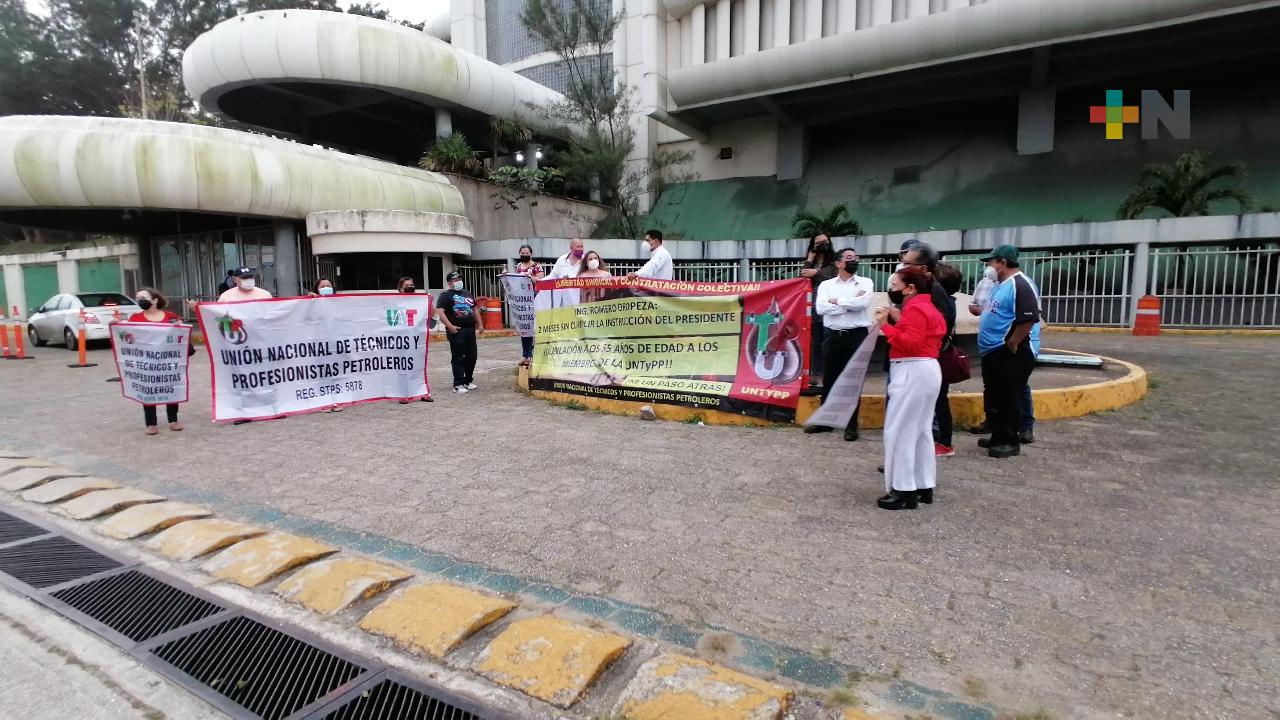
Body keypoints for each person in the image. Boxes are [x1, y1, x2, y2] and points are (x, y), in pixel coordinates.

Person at [873, 267, 946, 510]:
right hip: (925, 370)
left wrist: (884, 325)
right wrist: (897, 318)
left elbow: (910, 343)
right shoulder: (927, 307)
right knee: (920, 431)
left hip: (912, 370)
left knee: (901, 430)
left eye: (895, 286)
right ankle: (923, 484)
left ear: (910, 288)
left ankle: (904, 489)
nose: (892, 290)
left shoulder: (916, 309)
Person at [976, 245, 1041, 458]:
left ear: (1002, 263)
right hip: (993, 351)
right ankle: (998, 436)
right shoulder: (1000, 285)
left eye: (991, 262)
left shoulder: (1020, 284)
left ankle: (1009, 441)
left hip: (1010, 351)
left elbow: (1029, 317)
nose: (988, 266)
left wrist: (1013, 342)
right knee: (997, 396)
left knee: (1009, 397)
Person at [804, 247, 873, 441]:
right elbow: (821, 308)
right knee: (830, 380)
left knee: (853, 381)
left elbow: (862, 304)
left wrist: (836, 302)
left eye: (855, 257)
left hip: (857, 335)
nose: (854, 260)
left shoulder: (865, 282)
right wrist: (848, 304)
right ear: (838, 263)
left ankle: (851, 425)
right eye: (849, 257)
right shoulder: (826, 285)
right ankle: (825, 421)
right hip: (833, 335)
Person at [898, 244, 957, 457]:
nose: (902, 266)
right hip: (921, 358)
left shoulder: (933, 291)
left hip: (929, 358)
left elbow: (936, 326)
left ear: (923, 268)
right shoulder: (923, 287)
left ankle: (942, 443)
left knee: (936, 403)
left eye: (907, 263)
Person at [130, 288, 185, 436]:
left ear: (154, 300)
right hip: (146, 361)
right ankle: (151, 423)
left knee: (171, 388)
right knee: (148, 390)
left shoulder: (170, 316)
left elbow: (181, 336)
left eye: (143, 297)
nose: (140, 300)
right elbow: (129, 337)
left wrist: (180, 326)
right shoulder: (135, 318)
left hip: (168, 360)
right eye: (138, 298)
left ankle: (173, 420)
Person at [436, 271, 486, 393]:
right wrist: (449, 326)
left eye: (459, 279)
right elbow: (440, 312)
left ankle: (467, 381)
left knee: (472, 356)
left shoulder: (467, 293)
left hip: (470, 329)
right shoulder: (445, 295)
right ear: (449, 283)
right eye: (456, 280)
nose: (459, 281)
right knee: (459, 357)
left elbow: (474, 309)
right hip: (456, 330)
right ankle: (458, 384)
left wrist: (480, 324)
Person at [931, 262, 962, 457]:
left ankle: (945, 442)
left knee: (939, 401)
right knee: (939, 400)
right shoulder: (948, 302)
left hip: (938, 357)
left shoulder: (944, 304)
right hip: (939, 356)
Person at [800, 233, 837, 387]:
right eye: (818, 242)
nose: (822, 244)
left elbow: (836, 281)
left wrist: (817, 274)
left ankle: (827, 375)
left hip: (829, 310)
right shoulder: (812, 263)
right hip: (813, 310)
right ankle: (815, 375)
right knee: (814, 344)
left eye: (825, 242)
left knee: (828, 344)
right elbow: (801, 279)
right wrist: (809, 259)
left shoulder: (835, 262)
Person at [394, 277, 433, 403]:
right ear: (400, 288)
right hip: (401, 340)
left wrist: (429, 302)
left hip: (417, 340)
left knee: (419, 366)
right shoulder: (394, 302)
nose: (410, 287)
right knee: (402, 367)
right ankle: (403, 394)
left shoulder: (419, 301)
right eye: (407, 285)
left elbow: (432, 317)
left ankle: (422, 392)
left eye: (412, 284)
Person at [511, 245, 544, 367]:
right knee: (524, 327)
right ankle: (525, 354)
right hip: (521, 300)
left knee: (531, 327)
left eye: (527, 253)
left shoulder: (537, 266)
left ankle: (531, 354)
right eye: (522, 253)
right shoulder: (519, 266)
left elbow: (541, 281)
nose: (524, 255)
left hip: (533, 298)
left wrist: (531, 277)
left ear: (531, 253)